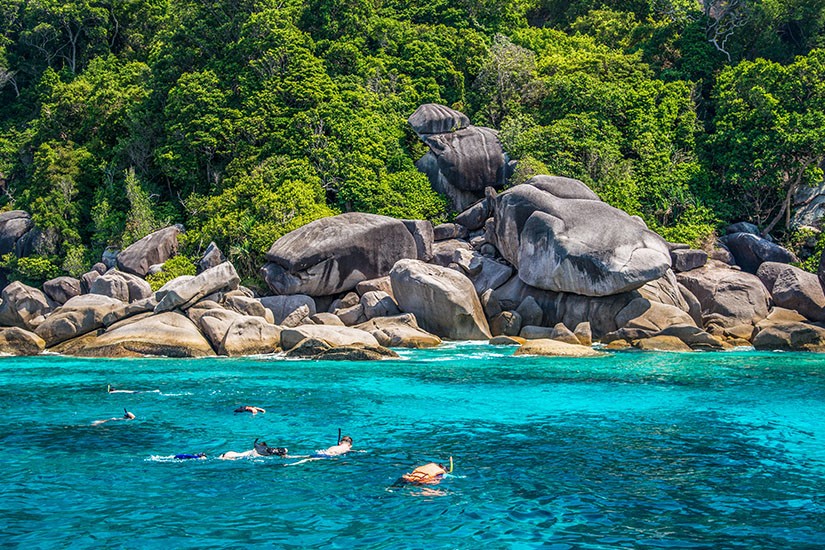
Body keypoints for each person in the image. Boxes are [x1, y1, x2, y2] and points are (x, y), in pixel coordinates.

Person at [218, 438, 288, 460]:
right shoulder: (267, 455)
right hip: (230, 456)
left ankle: (224, 456)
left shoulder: (264, 448)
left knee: (240, 455)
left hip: (231, 454)